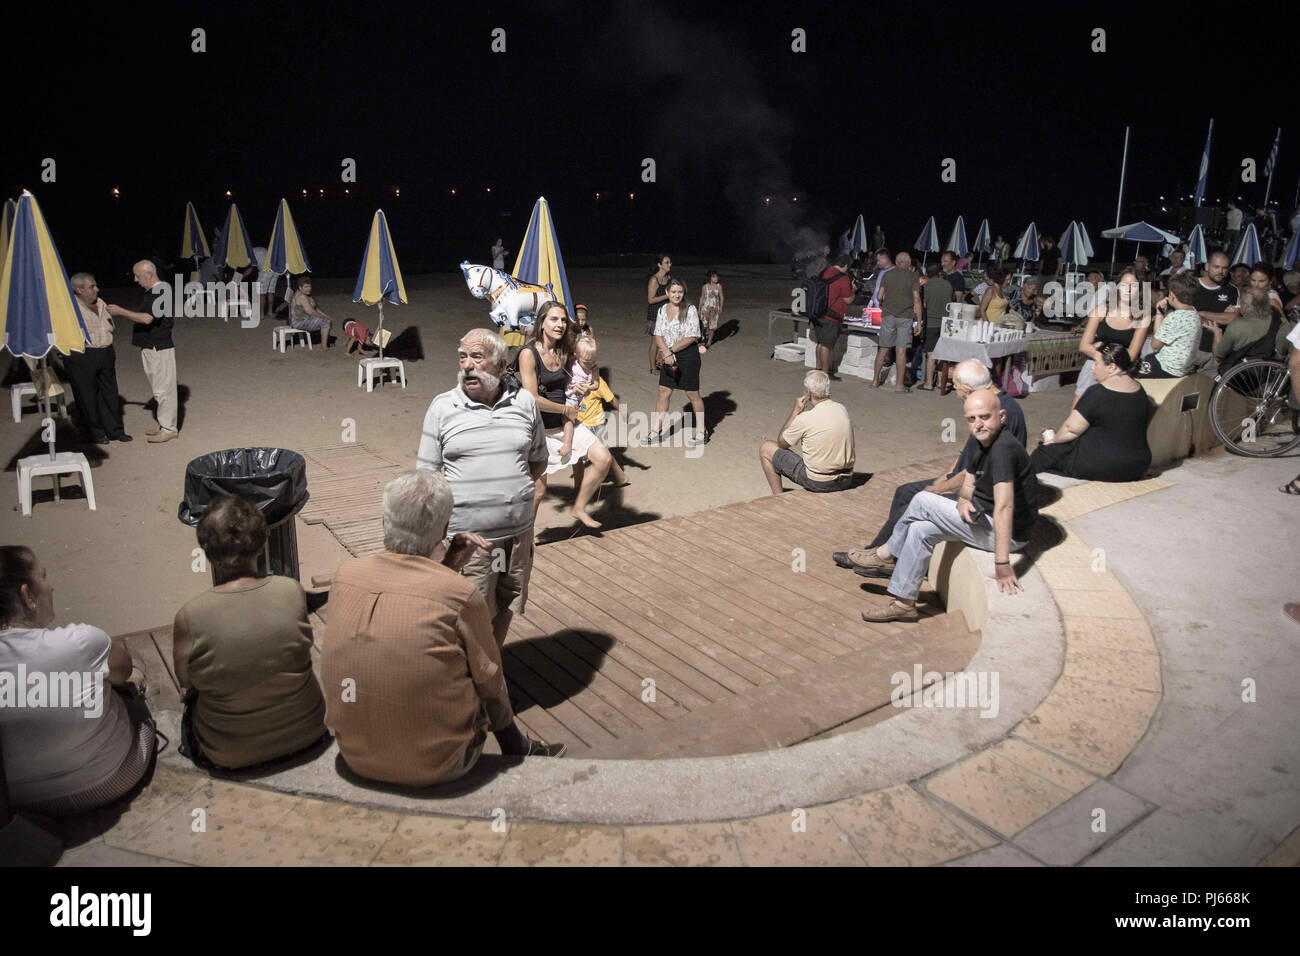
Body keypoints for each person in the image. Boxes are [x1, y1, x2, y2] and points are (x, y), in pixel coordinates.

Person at [322, 470, 563, 788]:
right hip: (439, 765)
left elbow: (410, 602)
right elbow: (490, 681)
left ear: (386, 521)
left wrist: (447, 568)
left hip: (354, 754)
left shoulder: (345, 574)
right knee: (483, 673)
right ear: (446, 528)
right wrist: (449, 573)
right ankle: (517, 748)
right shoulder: (459, 594)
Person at [172, 495, 327, 771]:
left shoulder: (190, 615)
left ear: (206, 549)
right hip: (308, 732)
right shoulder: (291, 591)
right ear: (262, 541)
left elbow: (186, 683)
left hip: (229, 753)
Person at [857, 390, 1038, 623]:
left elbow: (1005, 507)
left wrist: (1002, 563)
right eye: (972, 419)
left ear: (1002, 416)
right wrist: (963, 498)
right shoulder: (981, 439)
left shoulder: (1004, 449)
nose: (978, 424)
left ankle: (885, 554)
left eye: (984, 416)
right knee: (920, 529)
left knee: (922, 500)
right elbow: (970, 474)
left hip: (1009, 534)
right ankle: (904, 604)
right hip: (984, 518)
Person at [0, 546, 156, 815]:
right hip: (110, 779)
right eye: (44, 577)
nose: (51, 587)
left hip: (18, 800)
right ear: (27, 595)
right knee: (129, 673)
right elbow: (123, 670)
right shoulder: (79, 642)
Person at [417, 328, 549, 642]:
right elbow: (426, 479)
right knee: (467, 617)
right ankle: (468, 684)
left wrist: (512, 496)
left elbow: (538, 459)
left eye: (477, 357)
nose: (466, 365)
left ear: (502, 366)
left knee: (506, 604)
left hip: (517, 536)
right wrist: (435, 545)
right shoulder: (442, 408)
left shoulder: (525, 404)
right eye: (462, 357)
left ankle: (491, 670)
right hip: (469, 544)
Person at [832, 359, 1026, 569]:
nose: (954, 389)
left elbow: (973, 472)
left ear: (968, 389)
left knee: (917, 499)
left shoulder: (997, 414)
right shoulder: (991, 402)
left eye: (956, 385)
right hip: (972, 483)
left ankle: (886, 557)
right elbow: (967, 456)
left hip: (981, 496)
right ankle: (881, 550)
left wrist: (937, 489)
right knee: (905, 492)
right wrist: (942, 479)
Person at [519, 303, 614, 527]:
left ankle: (578, 506)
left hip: (566, 422)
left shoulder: (564, 351)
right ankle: (523, 538)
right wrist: (564, 409)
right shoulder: (528, 354)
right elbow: (531, 398)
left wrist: (583, 388)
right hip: (538, 428)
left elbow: (581, 374)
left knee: (604, 458)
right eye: (553, 319)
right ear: (541, 323)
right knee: (539, 492)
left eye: (563, 320)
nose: (560, 324)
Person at [1032, 343, 1151, 482]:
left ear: (1111, 368)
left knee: (1043, 453)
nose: (1092, 367)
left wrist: (1053, 441)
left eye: (1096, 363)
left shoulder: (1098, 393)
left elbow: (1071, 430)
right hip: (1138, 464)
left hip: (1105, 465)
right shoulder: (1139, 390)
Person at [107, 259, 178, 442]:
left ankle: (169, 429)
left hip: (159, 346)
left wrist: (121, 311)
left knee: (164, 390)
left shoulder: (162, 290)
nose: (135, 280)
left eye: (137, 276)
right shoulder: (153, 291)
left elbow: (147, 318)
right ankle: (164, 424)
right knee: (158, 389)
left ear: (148, 274)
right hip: (150, 345)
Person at [759, 370, 855, 494]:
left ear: (808, 393)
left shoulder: (806, 418)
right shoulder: (841, 409)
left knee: (766, 448)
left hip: (820, 482)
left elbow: (782, 443)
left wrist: (795, 412)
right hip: (846, 479)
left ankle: (778, 496)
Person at [65, 273, 130, 443]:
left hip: (105, 351)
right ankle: (96, 433)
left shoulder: (101, 303)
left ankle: (115, 430)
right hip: (82, 354)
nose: (97, 289)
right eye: (92, 287)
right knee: (87, 396)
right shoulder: (69, 308)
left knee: (109, 392)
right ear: (79, 290)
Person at [1072, 270, 1148, 410]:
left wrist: (1100, 348)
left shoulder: (1141, 318)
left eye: (1134, 286)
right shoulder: (1101, 310)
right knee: (1080, 404)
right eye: (1125, 284)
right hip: (1095, 363)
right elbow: (1083, 346)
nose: (1128, 289)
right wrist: (1102, 358)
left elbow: (1131, 355)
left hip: (1121, 369)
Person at [646, 278, 708, 446]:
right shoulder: (661, 310)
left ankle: (702, 431)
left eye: (679, 292)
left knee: (692, 394)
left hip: (688, 356)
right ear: (667, 293)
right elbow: (658, 334)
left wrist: (670, 350)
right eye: (673, 292)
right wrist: (666, 352)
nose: (676, 295)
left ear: (683, 293)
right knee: (663, 391)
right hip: (668, 355)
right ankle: (655, 431)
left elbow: (692, 336)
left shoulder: (690, 310)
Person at [569, 335, 629, 488]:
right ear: (576, 358)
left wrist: (623, 410)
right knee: (578, 456)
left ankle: (620, 477)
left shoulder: (598, 381)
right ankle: (579, 487)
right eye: (586, 362)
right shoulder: (572, 375)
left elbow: (611, 399)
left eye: (593, 363)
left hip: (596, 423)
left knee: (601, 453)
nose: (590, 366)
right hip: (579, 423)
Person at [873, 250, 922, 392]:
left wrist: (886, 304)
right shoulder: (913, 277)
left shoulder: (887, 275)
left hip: (888, 316)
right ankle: (899, 386)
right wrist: (919, 321)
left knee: (883, 349)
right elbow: (917, 300)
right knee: (901, 351)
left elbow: (880, 295)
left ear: (896, 261)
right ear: (908, 263)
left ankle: (875, 381)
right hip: (905, 317)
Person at [1138, 272, 1201, 378]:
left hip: (1166, 367)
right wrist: (1160, 313)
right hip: (1183, 368)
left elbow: (1155, 345)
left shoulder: (1175, 317)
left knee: (1133, 371)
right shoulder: (1195, 314)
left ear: (1172, 295)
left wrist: (1159, 314)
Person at [1209, 288, 1291, 368]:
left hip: (1242, 376)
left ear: (1245, 305)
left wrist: (1217, 332)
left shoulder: (1237, 326)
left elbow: (1218, 356)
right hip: (1273, 375)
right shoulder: (1283, 323)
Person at [1194, 250, 1242, 361]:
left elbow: (1233, 318)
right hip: (1189, 347)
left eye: (1225, 268)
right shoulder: (1192, 286)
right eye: (1216, 267)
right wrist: (1222, 316)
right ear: (1207, 266)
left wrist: (1201, 313)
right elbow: (1185, 316)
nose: (1220, 271)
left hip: (1215, 351)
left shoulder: (1233, 290)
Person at [813, 254, 854, 381]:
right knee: (827, 345)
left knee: (820, 342)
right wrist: (854, 290)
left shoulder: (824, 272)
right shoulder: (843, 278)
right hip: (832, 316)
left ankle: (818, 369)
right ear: (846, 265)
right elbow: (848, 299)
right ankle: (824, 374)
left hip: (819, 312)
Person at [918, 263, 953, 390]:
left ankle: (928, 383)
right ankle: (940, 381)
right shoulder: (948, 285)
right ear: (939, 272)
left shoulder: (927, 286)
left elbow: (924, 305)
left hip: (932, 323)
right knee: (942, 354)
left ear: (927, 273)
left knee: (931, 354)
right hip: (946, 323)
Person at [289, 276, 334, 346]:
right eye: (306, 287)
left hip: (305, 319)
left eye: (309, 287)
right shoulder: (302, 297)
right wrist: (324, 318)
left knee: (327, 320)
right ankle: (324, 347)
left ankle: (322, 339)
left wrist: (326, 316)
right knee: (326, 322)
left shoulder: (308, 295)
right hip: (298, 322)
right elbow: (311, 312)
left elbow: (316, 308)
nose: (308, 289)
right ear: (300, 288)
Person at [646, 254, 672, 373]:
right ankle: (652, 367)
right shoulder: (654, 280)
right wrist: (666, 296)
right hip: (655, 314)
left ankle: (660, 362)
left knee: (668, 340)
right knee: (656, 342)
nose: (669, 264)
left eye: (670, 262)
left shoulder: (669, 278)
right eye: (666, 262)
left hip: (667, 313)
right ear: (659, 265)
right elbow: (651, 300)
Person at [698, 268, 725, 351]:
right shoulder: (705, 287)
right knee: (704, 324)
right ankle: (702, 336)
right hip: (705, 308)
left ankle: (709, 341)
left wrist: (720, 307)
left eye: (717, 277)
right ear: (709, 277)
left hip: (714, 309)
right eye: (714, 277)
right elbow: (702, 298)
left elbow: (721, 297)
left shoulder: (719, 286)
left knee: (712, 326)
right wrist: (699, 308)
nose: (716, 279)